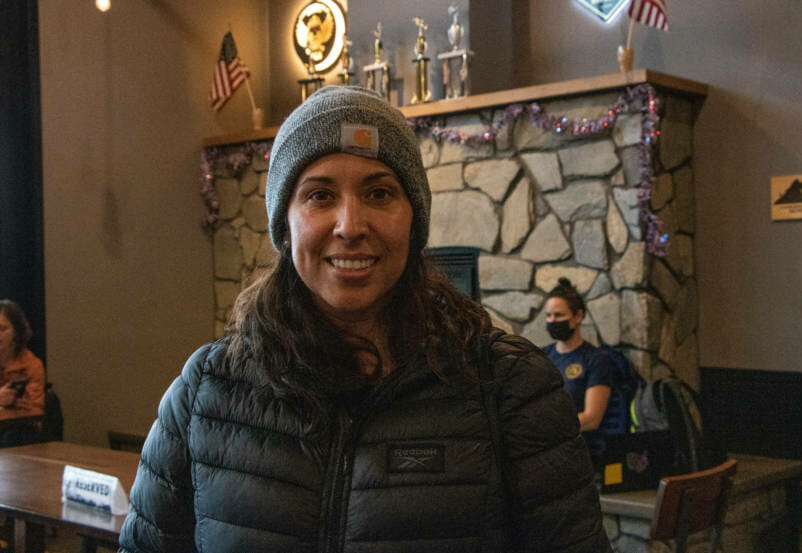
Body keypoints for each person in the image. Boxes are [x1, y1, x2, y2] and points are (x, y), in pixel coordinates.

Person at [118, 86, 611, 553]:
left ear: (413, 219)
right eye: (319, 195)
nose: (350, 226)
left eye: (379, 194)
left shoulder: (510, 388)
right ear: (284, 225)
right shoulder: (207, 390)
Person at [541, 278, 624, 459]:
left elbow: (592, 418)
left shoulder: (596, 359)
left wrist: (547, 430)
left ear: (578, 316)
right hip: (545, 450)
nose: (552, 321)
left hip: (581, 450)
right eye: (548, 316)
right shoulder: (541, 356)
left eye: (559, 315)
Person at [0, 299, 46, 446]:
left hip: (17, 433)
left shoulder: (31, 365)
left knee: (16, 435)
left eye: (2, 328)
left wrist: (20, 405)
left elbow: (36, 416)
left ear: (16, 331)